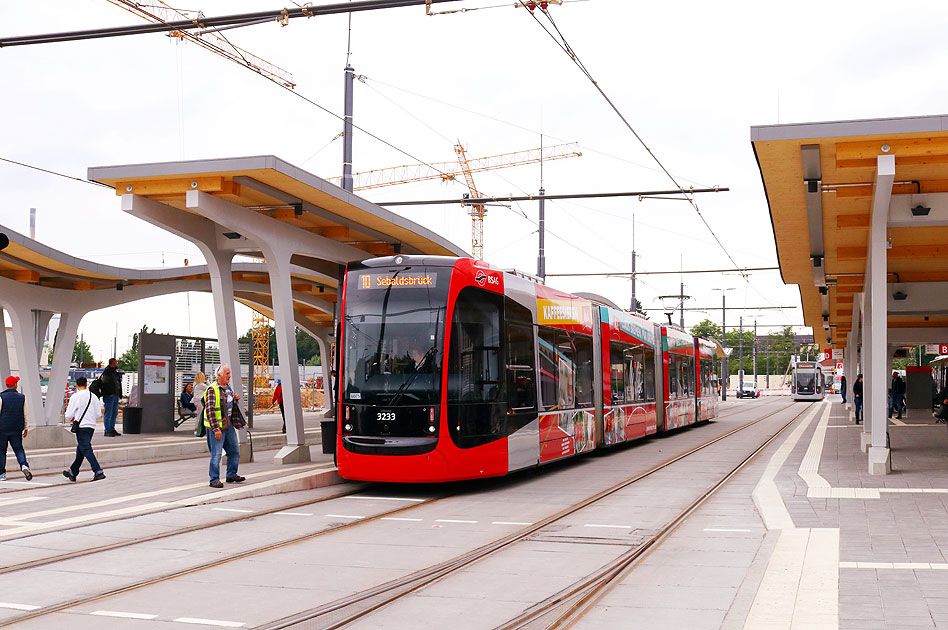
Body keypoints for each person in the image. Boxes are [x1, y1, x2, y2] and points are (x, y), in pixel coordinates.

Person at [203, 365, 245, 488]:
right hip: (217, 428)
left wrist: (236, 399)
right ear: (219, 375)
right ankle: (214, 479)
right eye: (227, 373)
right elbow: (210, 410)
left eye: (229, 373)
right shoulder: (212, 389)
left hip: (229, 426)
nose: (229, 376)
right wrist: (216, 429)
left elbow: (228, 406)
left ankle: (231, 474)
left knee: (234, 452)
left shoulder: (228, 388)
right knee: (216, 455)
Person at [63, 376, 105, 482]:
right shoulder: (93, 397)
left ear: (76, 385)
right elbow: (98, 414)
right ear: (86, 384)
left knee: (86, 449)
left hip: (81, 427)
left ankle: (98, 471)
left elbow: (68, 415)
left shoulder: (75, 397)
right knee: (81, 450)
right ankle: (73, 472)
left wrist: (74, 418)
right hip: (91, 427)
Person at [0, 376, 32, 482]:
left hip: (2, 429)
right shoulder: (21, 397)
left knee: (1, 451)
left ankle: (2, 474)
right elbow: (25, 414)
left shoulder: (1, 397)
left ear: (6, 385)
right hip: (16, 429)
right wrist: (26, 427)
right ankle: (24, 466)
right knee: (18, 449)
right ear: (15, 385)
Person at [101, 358, 122, 436]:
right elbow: (105, 383)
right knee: (108, 413)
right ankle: (107, 430)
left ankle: (112, 428)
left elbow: (117, 383)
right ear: (113, 363)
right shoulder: (107, 372)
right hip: (109, 395)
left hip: (115, 395)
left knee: (114, 413)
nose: (117, 363)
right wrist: (109, 393)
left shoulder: (114, 372)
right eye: (116, 362)